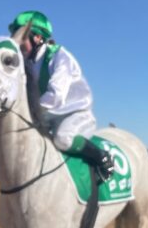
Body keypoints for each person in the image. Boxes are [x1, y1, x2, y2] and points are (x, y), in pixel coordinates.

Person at [8, 10, 115, 181]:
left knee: (62, 139)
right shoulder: (27, 63)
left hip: (74, 112)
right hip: (47, 116)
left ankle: (102, 157)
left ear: (38, 38)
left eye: (22, 41)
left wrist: (31, 112)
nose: (19, 47)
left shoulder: (58, 56)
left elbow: (56, 95)